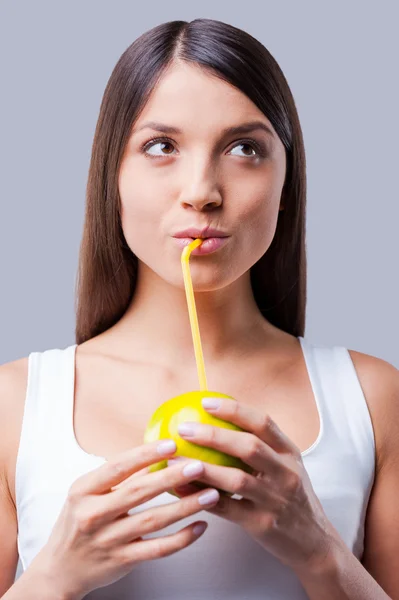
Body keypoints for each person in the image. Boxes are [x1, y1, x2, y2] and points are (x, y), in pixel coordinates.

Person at [0, 17, 398, 600]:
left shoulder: (372, 398)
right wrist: (54, 578)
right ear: (112, 175)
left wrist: (321, 551)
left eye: (245, 148)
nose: (202, 190)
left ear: (287, 180)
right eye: (160, 146)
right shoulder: (14, 405)